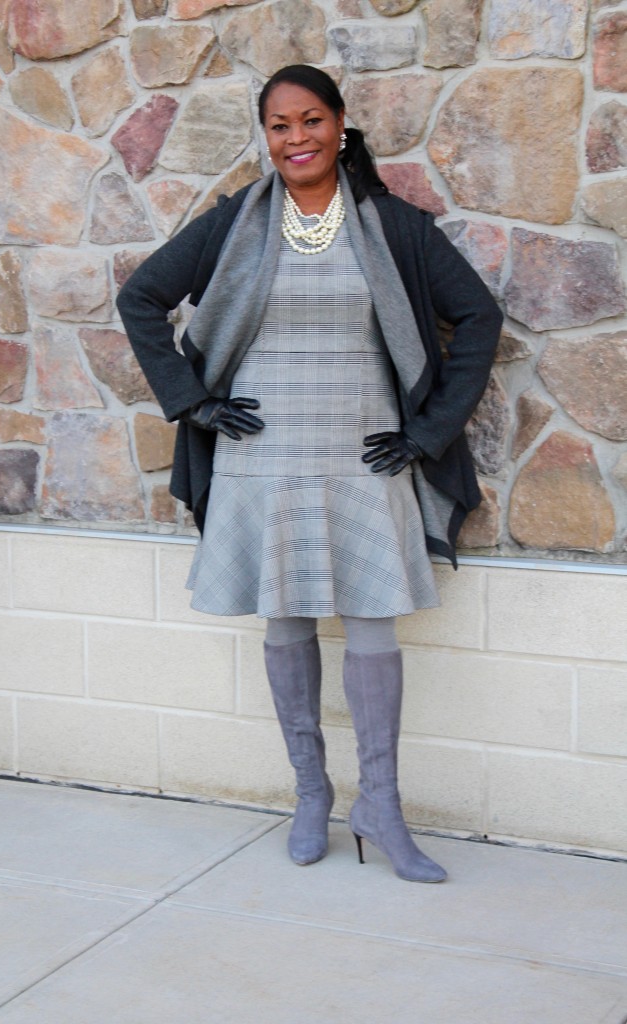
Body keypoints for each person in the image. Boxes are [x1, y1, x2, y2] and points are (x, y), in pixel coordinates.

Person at [117, 65, 503, 884]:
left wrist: (428, 432)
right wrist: (194, 402)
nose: (297, 138)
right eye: (280, 125)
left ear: (338, 124)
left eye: (311, 120)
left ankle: (381, 807)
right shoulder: (234, 225)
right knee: (285, 623)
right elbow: (142, 297)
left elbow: (478, 317)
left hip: (363, 456)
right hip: (264, 456)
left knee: (373, 628)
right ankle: (308, 795)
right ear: (266, 137)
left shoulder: (392, 227)